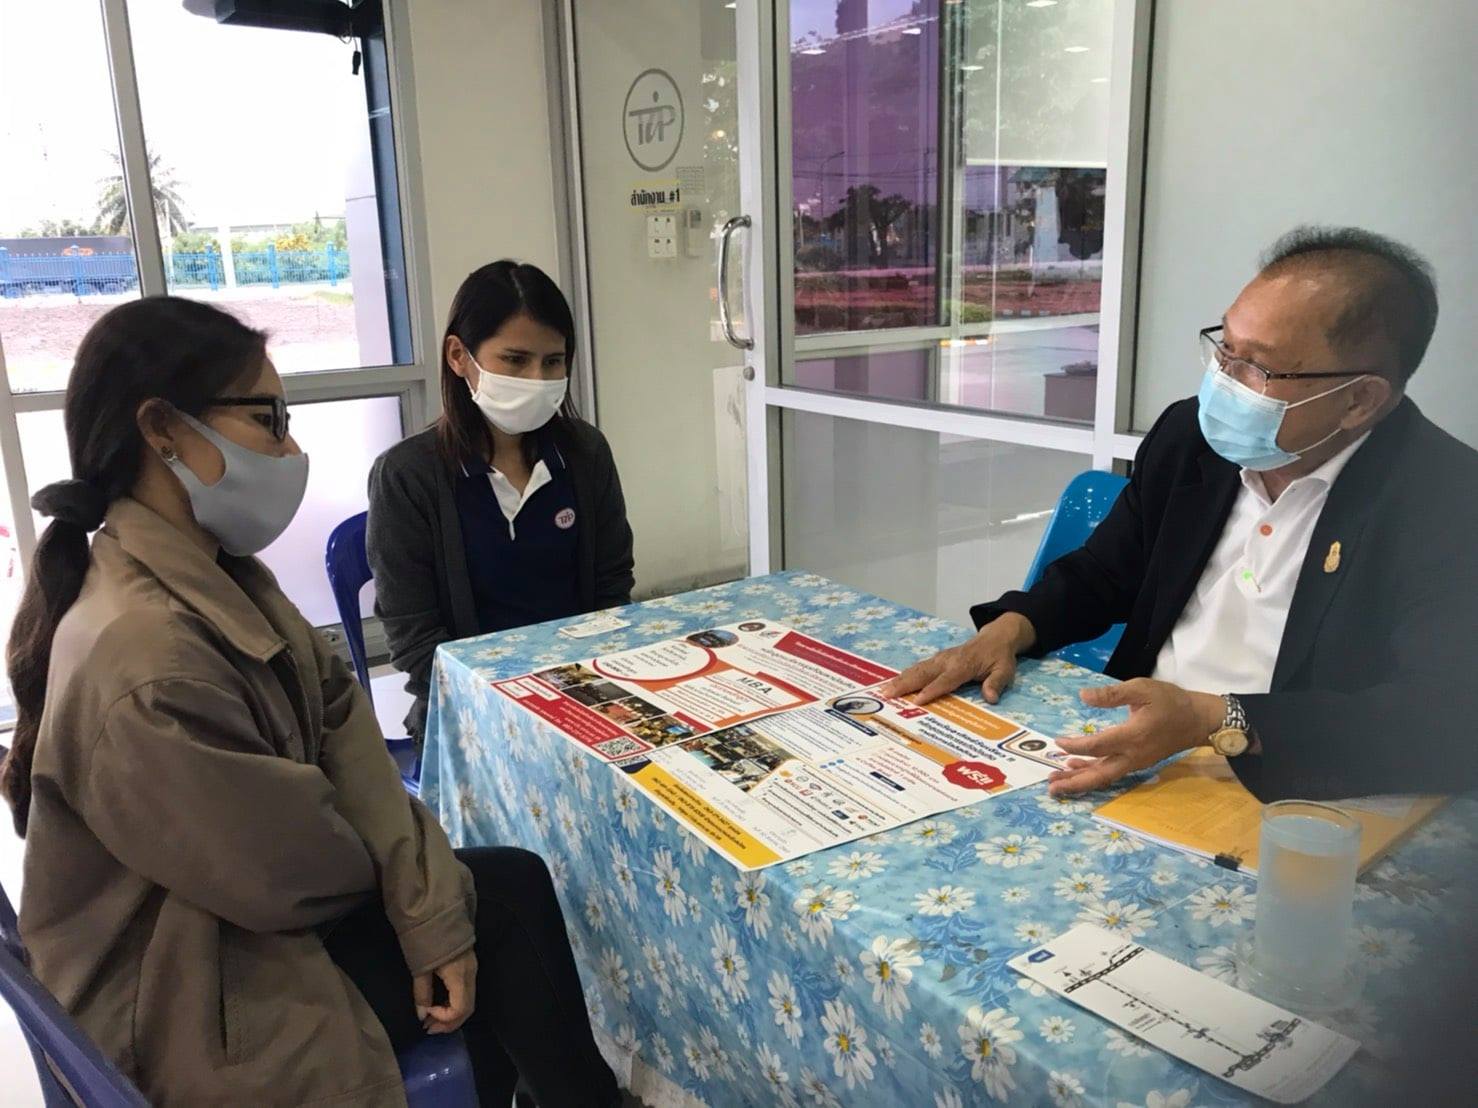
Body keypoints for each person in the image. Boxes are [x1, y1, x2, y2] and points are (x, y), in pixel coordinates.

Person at [0, 298, 618, 1107]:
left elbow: (345, 729)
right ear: (163, 430)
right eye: (268, 421)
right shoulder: (145, 657)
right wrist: (423, 899)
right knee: (497, 910)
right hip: (194, 988)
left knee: (487, 900)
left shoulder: (220, 574)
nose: (291, 450)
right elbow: (286, 870)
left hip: (240, 916)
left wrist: (423, 896)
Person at [885, 226, 1478, 803]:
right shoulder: (1189, 438)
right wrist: (1009, 630)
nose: (1223, 380)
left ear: (1359, 400)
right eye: (1226, 347)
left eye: (1259, 367)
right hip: (1141, 746)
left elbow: (1443, 718)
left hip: (1296, 785)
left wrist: (1218, 719)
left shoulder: (1448, 502)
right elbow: (1105, 573)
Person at [369, 261, 634, 742]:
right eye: (515, 360)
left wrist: (588, 691)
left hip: (583, 693)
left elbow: (612, 588)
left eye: (553, 362)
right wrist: (508, 713)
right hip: (469, 711)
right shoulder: (407, 476)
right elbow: (414, 639)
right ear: (459, 356)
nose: (536, 378)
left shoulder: (585, 452)